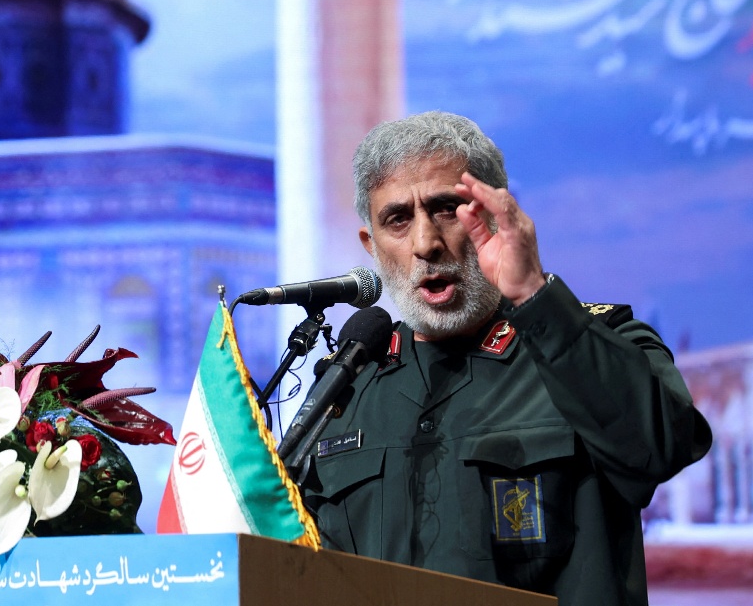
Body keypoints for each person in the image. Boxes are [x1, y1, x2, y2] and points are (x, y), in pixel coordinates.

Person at [299, 111, 712, 606]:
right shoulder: (348, 389)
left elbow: (662, 446)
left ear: (495, 217)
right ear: (371, 245)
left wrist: (533, 294)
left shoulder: (595, 340)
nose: (425, 243)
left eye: (447, 208)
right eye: (397, 219)